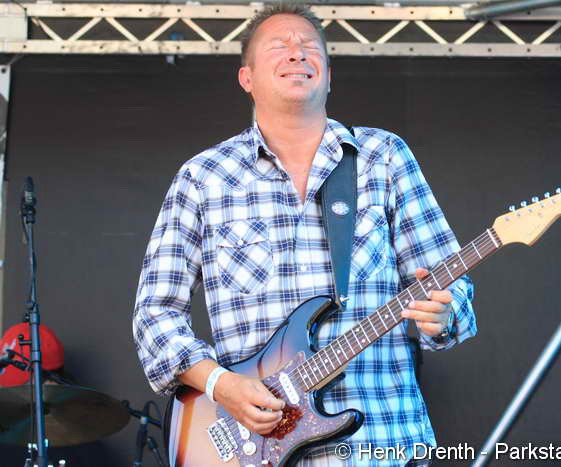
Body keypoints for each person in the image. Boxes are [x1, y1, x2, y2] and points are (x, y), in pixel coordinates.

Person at [132, 3, 476, 465]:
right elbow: (154, 314)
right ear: (247, 78)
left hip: (381, 440)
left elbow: (450, 287)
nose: (296, 53)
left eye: (309, 46)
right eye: (279, 46)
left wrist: (444, 314)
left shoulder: (384, 156)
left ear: (328, 75)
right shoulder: (204, 177)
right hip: (254, 449)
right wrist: (222, 385)